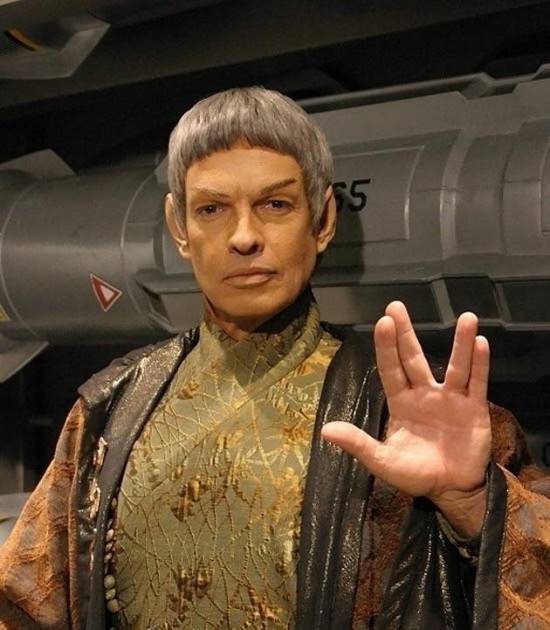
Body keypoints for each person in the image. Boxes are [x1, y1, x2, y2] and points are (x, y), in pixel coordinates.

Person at [0, 87, 548, 630]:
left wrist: (469, 501)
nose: (244, 237)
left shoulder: (413, 412)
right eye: (212, 209)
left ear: (323, 219)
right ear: (180, 229)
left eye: (275, 204)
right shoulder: (110, 412)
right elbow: (23, 605)